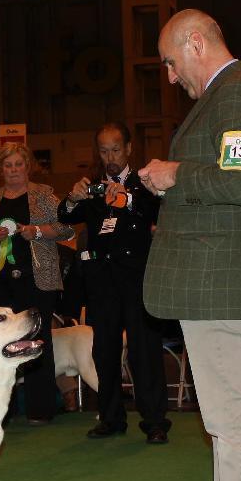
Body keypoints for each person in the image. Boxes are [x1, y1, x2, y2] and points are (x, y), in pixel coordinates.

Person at [138, 9, 241, 481]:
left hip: (220, 278)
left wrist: (174, 174)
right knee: (222, 416)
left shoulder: (238, 97)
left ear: (196, 43)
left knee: (235, 416)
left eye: (170, 61)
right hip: (207, 280)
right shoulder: (224, 99)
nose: (169, 76)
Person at [58, 122, 170, 444]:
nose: (110, 156)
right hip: (102, 283)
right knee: (103, 351)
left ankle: (154, 421)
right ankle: (110, 418)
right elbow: (64, 216)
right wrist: (71, 198)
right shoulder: (92, 188)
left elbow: (157, 210)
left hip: (137, 280)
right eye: (104, 151)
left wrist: (128, 200)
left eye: (116, 149)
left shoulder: (145, 182)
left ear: (129, 148)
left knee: (143, 351)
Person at [0, 142, 73, 425]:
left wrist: (35, 231)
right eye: (7, 165)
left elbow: (67, 226)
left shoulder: (45, 195)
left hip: (37, 280)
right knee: (0, 343)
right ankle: (2, 412)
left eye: (18, 164)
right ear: (1, 168)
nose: (13, 170)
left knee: (38, 340)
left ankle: (41, 408)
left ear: (28, 166)